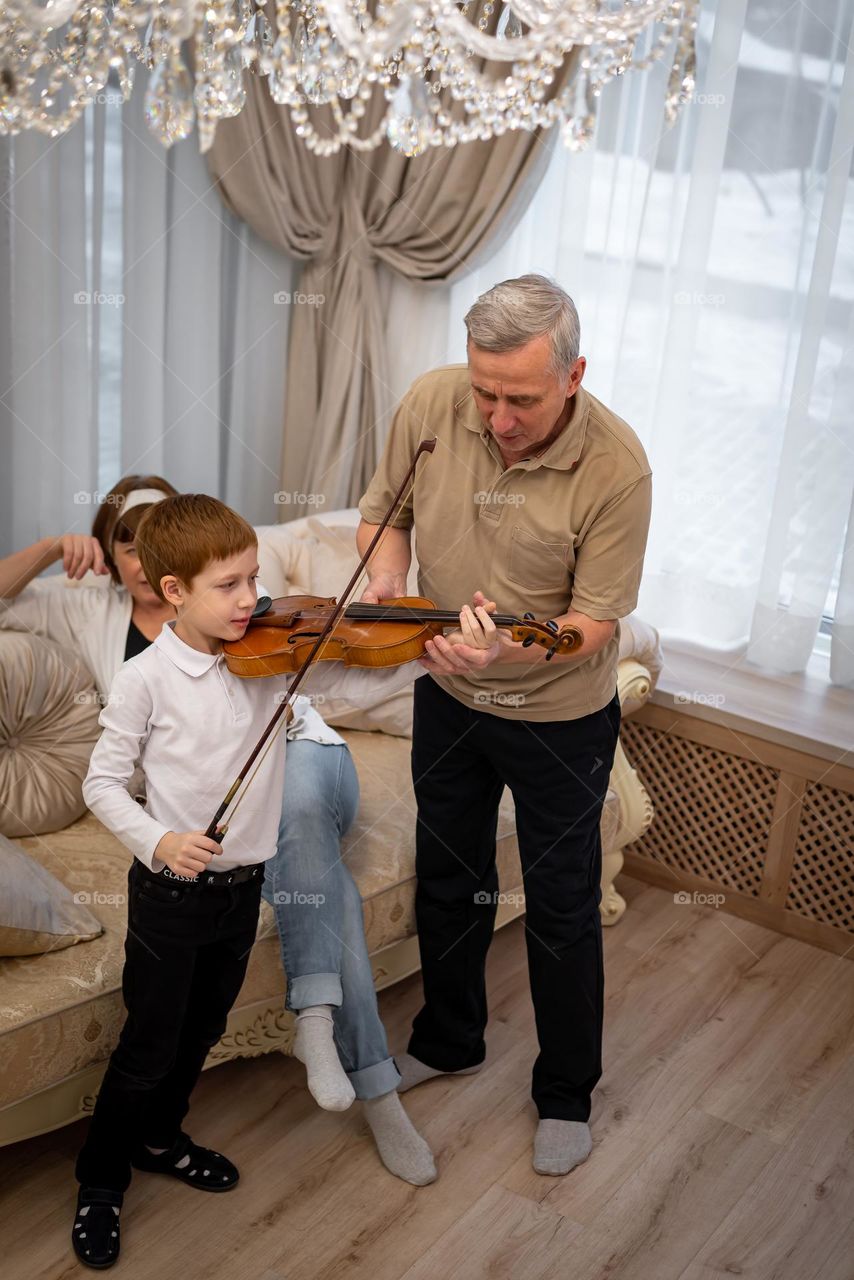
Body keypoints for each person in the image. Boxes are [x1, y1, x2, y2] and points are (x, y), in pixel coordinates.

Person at [0, 476, 436, 1189]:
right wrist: (159, 843)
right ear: (174, 590)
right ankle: (101, 1178)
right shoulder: (146, 679)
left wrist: (427, 652)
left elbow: (350, 685)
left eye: (253, 580)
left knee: (203, 1030)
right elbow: (101, 785)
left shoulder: (262, 664)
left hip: (242, 891)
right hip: (172, 894)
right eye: (229, 585)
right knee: (149, 1044)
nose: (249, 600)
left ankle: (162, 1141)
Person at [356, 273, 653, 1178]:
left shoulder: (618, 468)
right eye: (485, 391)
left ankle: (565, 1091)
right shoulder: (435, 401)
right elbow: (387, 513)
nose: (497, 415)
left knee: (562, 908)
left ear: (573, 375)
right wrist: (387, 586)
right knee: (450, 877)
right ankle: (449, 1039)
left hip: (559, 715)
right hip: (448, 694)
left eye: (520, 398)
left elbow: (594, 625)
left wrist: (505, 658)